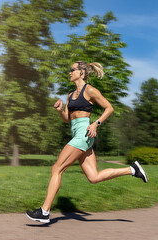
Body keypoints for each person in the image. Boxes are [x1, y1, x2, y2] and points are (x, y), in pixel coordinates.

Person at [25, 61, 148, 223]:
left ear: (82, 72)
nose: (69, 72)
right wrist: (59, 110)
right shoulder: (70, 94)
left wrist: (96, 124)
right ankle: (132, 170)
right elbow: (67, 120)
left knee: (57, 168)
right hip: (77, 133)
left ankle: (44, 212)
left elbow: (109, 108)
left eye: (72, 70)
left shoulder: (89, 90)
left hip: (84, 133)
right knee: (94, 177)